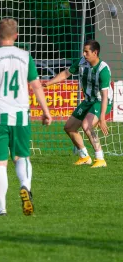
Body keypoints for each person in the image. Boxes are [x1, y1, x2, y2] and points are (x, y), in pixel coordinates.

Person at [0, 18, 52, 216]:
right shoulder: (25, 56)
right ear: (16, 36)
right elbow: (36, 85)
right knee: (21, 156)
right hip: (20, 115)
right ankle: (25, 185)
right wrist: (46, 111)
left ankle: (1, 209)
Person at [43, 39, 112, 168]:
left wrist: (102, 118)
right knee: (69, 127)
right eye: (84, 52)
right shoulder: (81, 62)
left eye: (87, 52)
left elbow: (104, 95)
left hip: (101, 101)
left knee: (86, 125)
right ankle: (85, 156)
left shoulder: (103, 69)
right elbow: (66, 73)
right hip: (88, 100)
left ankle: (100, 159)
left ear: (95, 52)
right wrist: (49, 83)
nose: (84, 54)